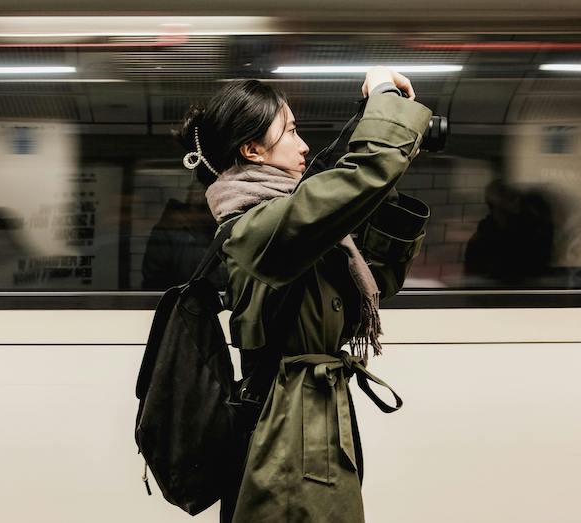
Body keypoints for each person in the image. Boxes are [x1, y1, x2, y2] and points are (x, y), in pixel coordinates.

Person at [174, 70, 432, 523]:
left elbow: (370, 292)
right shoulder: (260, 228)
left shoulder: (289, 224)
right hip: (289, 432)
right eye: (290, 132)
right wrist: (384, 98)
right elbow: (365, 171)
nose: (304, 145)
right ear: (251, 150)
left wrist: (388, 201)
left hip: (312, 419)